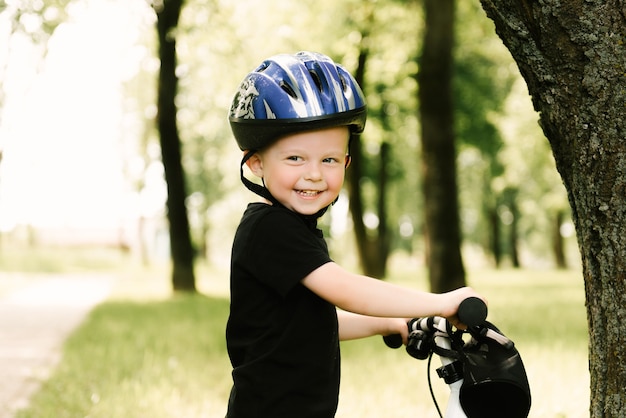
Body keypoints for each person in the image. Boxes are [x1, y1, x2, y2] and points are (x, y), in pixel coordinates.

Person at [225, 51, 484, 418]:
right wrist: (442, 302)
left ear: (346, 162)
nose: (314, 174)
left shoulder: (292, 228)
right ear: (255, 162)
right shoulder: (270, 229)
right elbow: (349, 292)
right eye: (295, 159)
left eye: (329, 160)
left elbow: (311, 325)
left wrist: (391, 323)